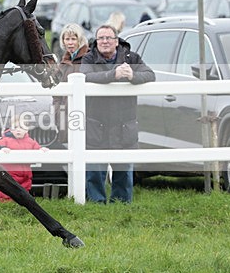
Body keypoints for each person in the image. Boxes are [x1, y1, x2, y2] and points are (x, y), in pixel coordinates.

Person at [80, 24, 155, 204]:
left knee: (123, 169)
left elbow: (150, 74)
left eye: (108, 38)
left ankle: (121, 204)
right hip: (96, 122)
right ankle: (96, 204)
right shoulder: (89, 58)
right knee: (95, 170)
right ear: (96, 41)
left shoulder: (131, 57)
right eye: (101, 38)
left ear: (116, 41)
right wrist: (113, 75)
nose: (104, 41)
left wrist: (132, 76)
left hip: (124, 124)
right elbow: (86, 77)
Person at [0, 115, 49, 202]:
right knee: (7, 190)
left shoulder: (30, 141)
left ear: (26, 130)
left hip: (26, 174)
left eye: (21, 127)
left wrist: (41, 149)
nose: (18, 129)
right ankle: (6, 204)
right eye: (15, 127)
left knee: (25, 192)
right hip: (10, 174)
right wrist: (2, 148)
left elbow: (37, 148)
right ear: (10, 129)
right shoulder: (6, 140)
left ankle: (23, 206)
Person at [54, 23, 90, 143]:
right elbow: (56, 93)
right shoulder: (63, 64)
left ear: (80, 40)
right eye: (67, 39)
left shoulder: (89, 59)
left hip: (86, 116)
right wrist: (58, 112)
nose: (70, 43)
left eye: (73, 39)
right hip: (66, 116)